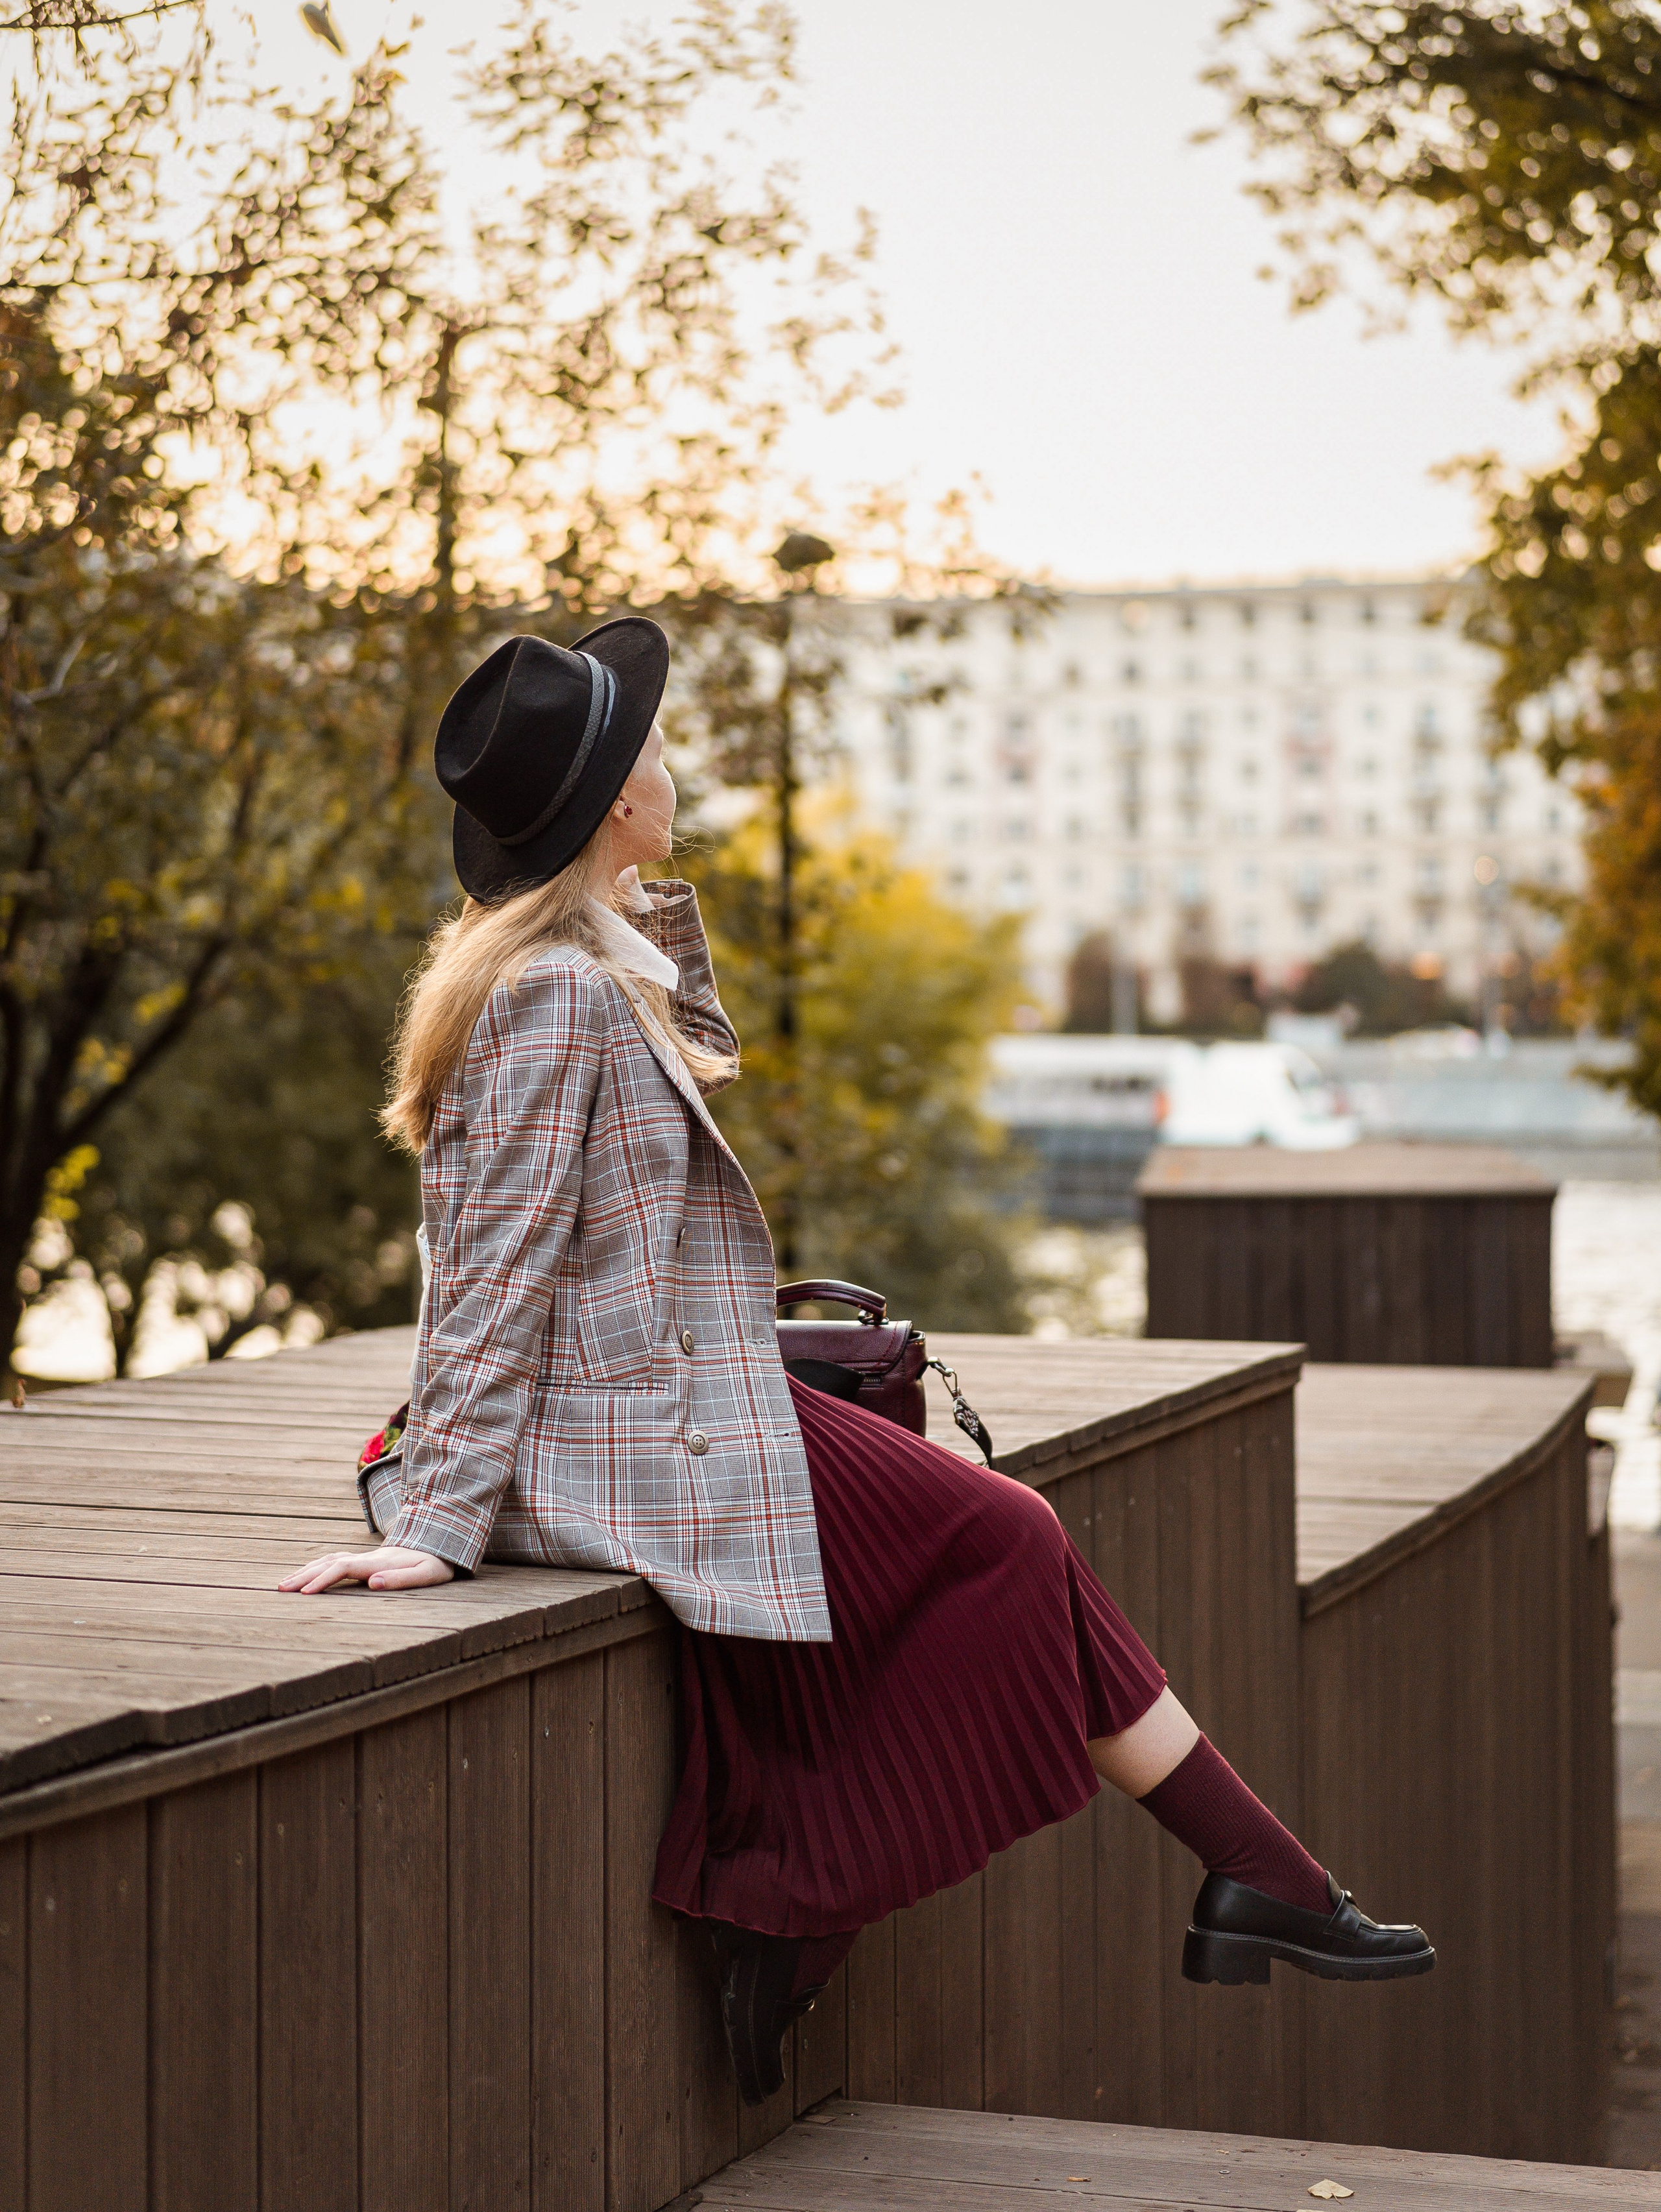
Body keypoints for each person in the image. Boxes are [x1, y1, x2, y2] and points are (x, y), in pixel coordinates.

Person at [279, 619, 1433, 2104]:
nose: (673, 760)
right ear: (621, 793)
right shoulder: (553, 992)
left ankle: (1253, 1876)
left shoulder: (576, 962)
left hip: (675, 1397)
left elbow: (698, 1042)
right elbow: (490, 1272)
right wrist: (437, 1521)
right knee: (1007, 1531)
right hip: (615, 1426)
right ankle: (946, 1897)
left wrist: (626, 880)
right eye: (650, 749)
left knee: (1006, 1541)